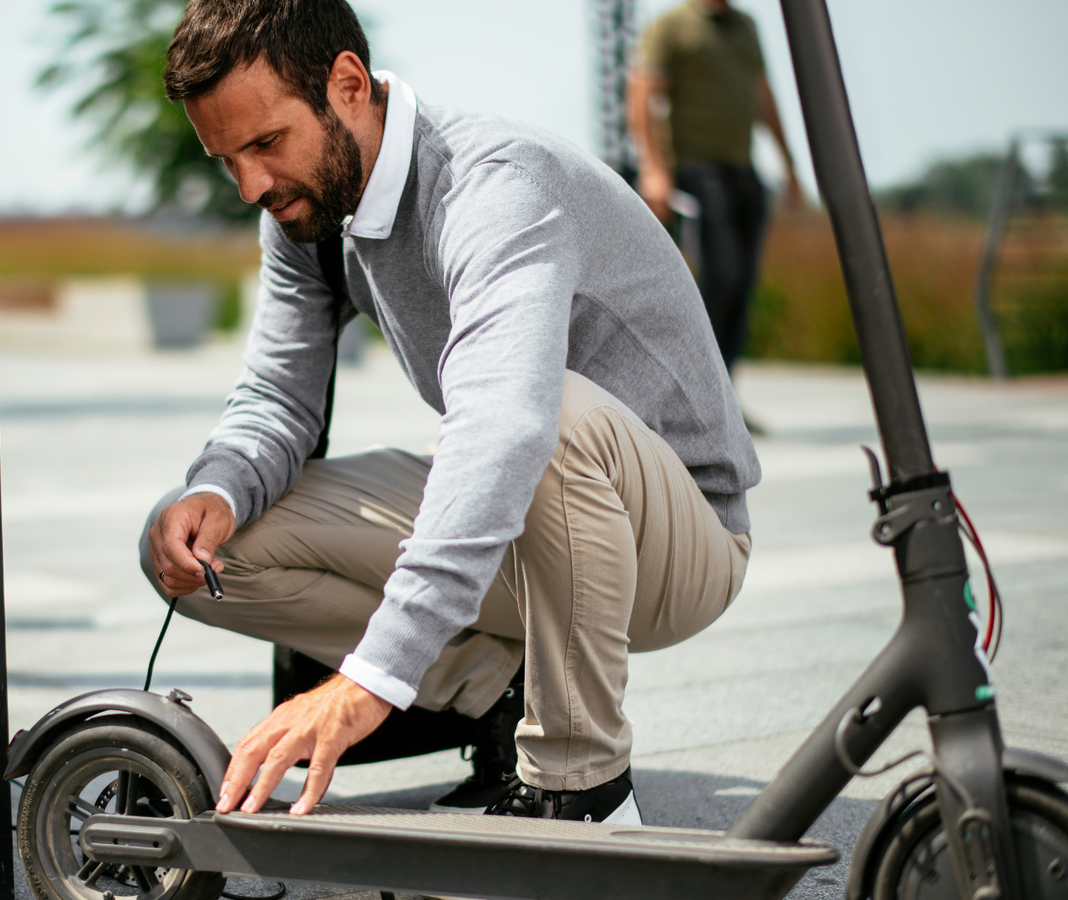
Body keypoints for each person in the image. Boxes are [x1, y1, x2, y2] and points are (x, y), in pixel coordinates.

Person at [140, 0, 759, 823]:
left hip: (675, 543)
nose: (251, 185)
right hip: (535, 522)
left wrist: (369, 683)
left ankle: (583, 786)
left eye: (264, 144)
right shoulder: (305, 211)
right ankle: (501, 694)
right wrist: (216, 489)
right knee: (214, 548)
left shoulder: (493, 185)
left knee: (548, 412)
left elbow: (506, 426)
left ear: (348, 85)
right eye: (227, 160)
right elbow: (279, 396)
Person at [627, 0, 802, 371]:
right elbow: (643, 96)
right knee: (721, 275)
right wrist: (655, 170)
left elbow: (762, 96)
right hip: (698, 171)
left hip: (744, 170)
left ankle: (726, 398)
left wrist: (789, 164)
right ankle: (694, 389)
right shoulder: (672, 26)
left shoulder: (746, 27)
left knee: (742, 285)